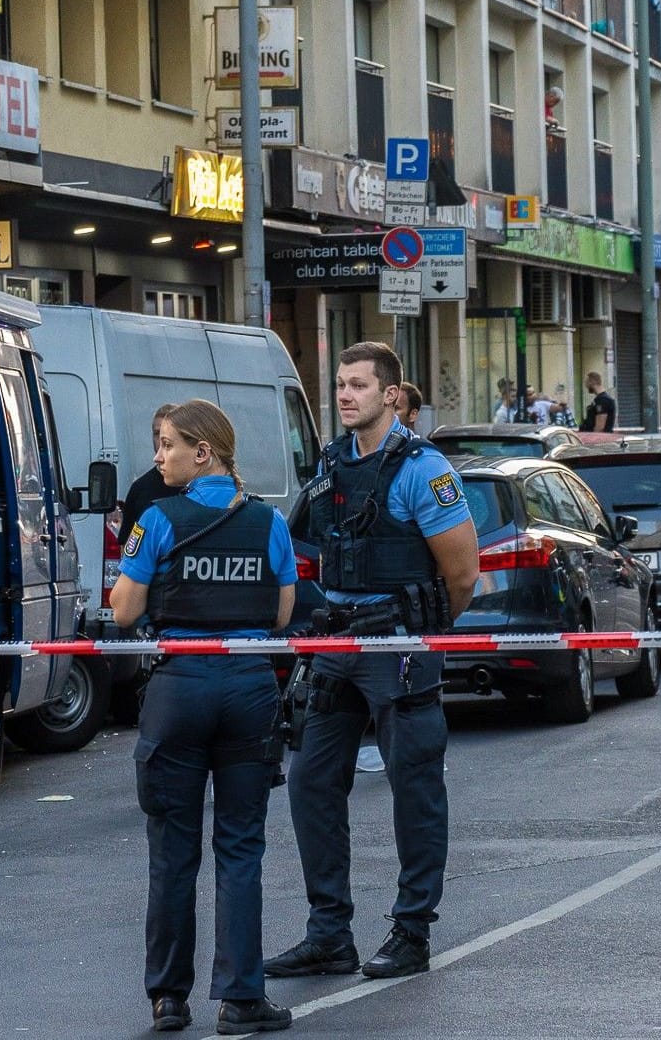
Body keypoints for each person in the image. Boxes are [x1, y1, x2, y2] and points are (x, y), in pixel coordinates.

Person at [268, 342, 480, 982]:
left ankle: (411, 931)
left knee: (414, 789)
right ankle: (329, 933)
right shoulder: (332, 463)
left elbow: (462, 573)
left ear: (391, 395)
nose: (344, 394)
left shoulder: (424, 468)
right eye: (339, 383)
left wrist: (421, 626)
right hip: (336, 647)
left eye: (358, 384)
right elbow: (306, 547)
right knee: (310, 782)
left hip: (397, 648)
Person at [109, 399, 298, 1036]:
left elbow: (125, 612)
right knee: (241, 848)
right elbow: (280, 615)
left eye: (167, 444)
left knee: (171, 853)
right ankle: (242, 999)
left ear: (204, 453)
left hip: (179, 691)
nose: (158, 456)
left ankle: (169, 999)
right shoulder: (269, 521)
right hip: (248, 689)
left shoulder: (157, 520)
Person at [119, 404, 181, 549]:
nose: (161, 439)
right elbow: (127, 545)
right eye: (156, 433)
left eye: (168, 434)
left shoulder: (197, 486)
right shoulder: (140, 488)